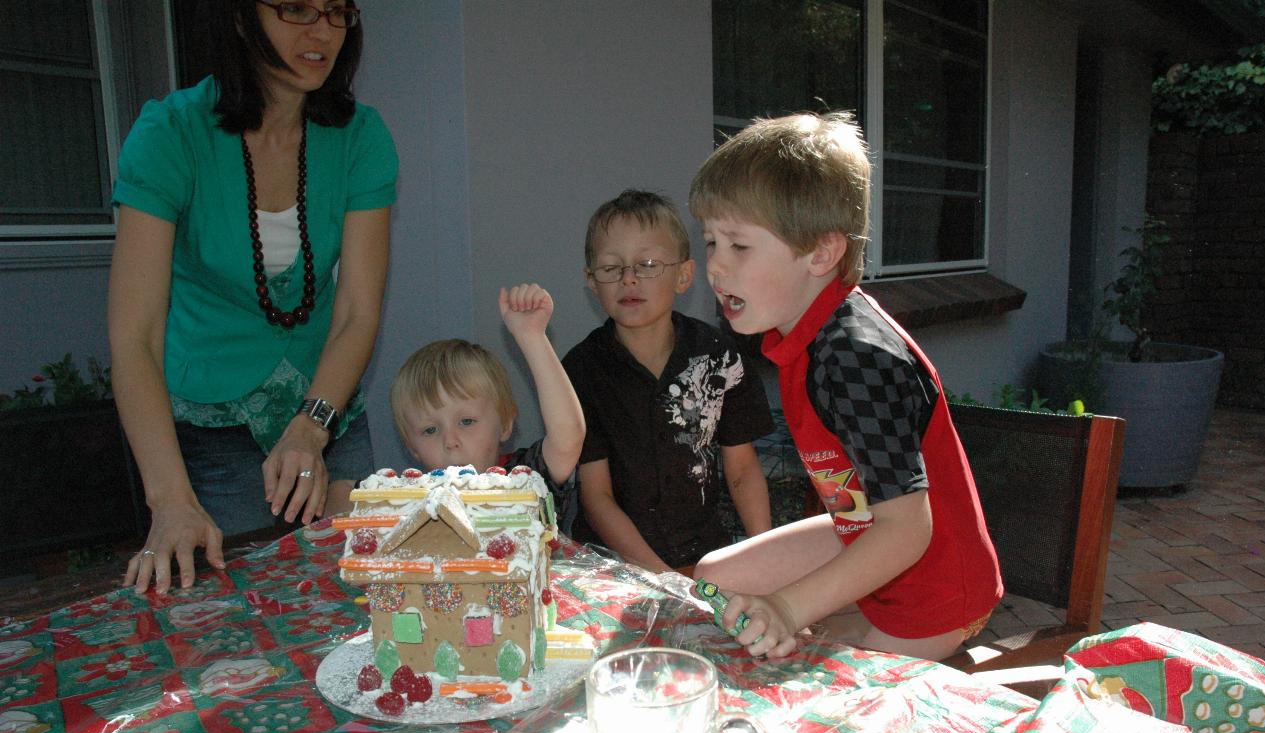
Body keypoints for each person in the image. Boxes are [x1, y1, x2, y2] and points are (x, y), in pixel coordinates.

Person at [689, 112, 1002, 661]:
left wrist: (789, 608)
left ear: (821, 253)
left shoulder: (856, 358)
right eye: (711, 241)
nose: (715, 266)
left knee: (827, 712)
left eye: (738, 246)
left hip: (935, 582)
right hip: (862, 525)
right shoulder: (803, 333)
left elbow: (907, 532)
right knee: (716, 579)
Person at [108, 0, 398, 594]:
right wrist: (169, 499)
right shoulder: (170, 135)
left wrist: (313, 427)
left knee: (363, 600)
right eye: (296, 8)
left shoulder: (362, 137)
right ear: (240, 16)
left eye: (338, 11)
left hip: (327, 409)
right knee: (238, 618)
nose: (323, 30)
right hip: (214, 432)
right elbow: (134, 338)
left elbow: (357, 312)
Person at [562, 189, 774, 573]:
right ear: (591, 281)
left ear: (683, 276)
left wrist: (764, 557)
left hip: (705, 556)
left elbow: (742, 471)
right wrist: (663, 578)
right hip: (612, 566)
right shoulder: (579, 370)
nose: (629, 279)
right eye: (611, 268)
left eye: (647, 264)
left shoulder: (720, 357)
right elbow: (596, 496)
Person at [391, 284, 585, 520]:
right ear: (412, 447)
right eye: (430, 430)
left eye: (466, 421)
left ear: (504, 424)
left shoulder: (523, 478)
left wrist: (531, 336)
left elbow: (568, 437)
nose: (450, 441)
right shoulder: (407, 506)